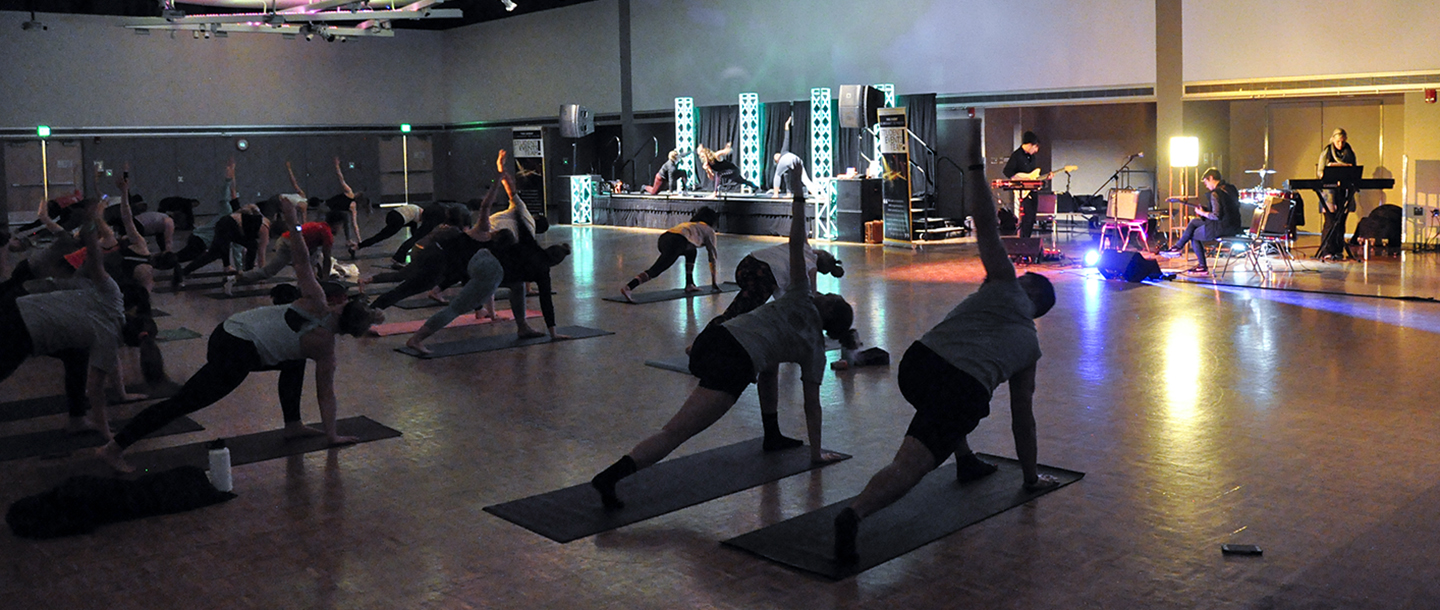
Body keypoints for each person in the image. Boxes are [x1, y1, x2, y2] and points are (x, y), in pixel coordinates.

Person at [832, 131, 1059, 565]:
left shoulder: (1002, 287)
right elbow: (1022, 419)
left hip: (917, 364)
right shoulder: (1029, 346)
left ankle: (966, 458)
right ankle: (853, 514)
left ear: (1028, 291)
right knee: (910, 465)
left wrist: (974, 163)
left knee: (947, 410)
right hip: (957, 388)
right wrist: (1030, 478)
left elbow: (987, 226)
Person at [591, 174, 856, 511]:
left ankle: (771, 433)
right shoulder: (813, 349)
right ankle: (609, 478)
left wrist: (800, 195)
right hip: (732, 362)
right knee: (675, 433)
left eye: (829, 295)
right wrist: (816, 452)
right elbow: (811, 406)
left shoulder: (800, 297)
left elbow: (795, 240)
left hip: (711, 340)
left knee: (768, 366)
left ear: (827, 306)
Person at [98, 197, 385, 473]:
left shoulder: (316, 300)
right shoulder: (326, 348)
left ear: (342, 308)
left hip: (230, 330)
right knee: (184, 402)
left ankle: (293, 424)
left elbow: (300, 259)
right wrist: (332, 434)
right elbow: (326, 394)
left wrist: (293, 221)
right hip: (237, 350)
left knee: (294, 360)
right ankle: (113, 448)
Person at [0, 199, 127, 439]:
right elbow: (97, 389)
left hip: (24, 308)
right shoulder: (108, 319)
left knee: (76, 356)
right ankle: (78, 418)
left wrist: (92, 220)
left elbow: (95, 254)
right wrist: (107, 431)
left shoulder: (103, 291)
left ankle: (77, 419)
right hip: (25, 317)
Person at [712, 242, 843, 325]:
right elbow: (810, 295)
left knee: (738, 312)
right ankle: (701, 342)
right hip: (763, 276)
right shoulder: (812, 266)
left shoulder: (802, 245)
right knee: (735, 315)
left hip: (746, 265)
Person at [618, 207, 720, 302]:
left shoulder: (690, 224)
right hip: (676, 242)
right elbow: (712, 257)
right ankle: (629, 287)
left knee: (691, 252)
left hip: (664, 239)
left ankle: (690, 284)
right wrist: (714, 282)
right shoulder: (709, 231)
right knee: (656, 270)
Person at [1159, 168, 1241, 276]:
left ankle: (1200, 265)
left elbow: (1216, 215)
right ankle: (1177, 248)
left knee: (1193, 235)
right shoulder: (1230, 189)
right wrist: (1182, 202)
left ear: (1211, 178)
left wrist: (1202, 213)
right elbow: (1224, 210)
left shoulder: (1215, 194)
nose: (1206, 185)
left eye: (1206, 182)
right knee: (1194, 222)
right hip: (1233, 226)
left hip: (1221, 227)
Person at [1002, 131, 1053, 239]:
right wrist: (1019, 179)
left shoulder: (1032, 157)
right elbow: (1007, 171)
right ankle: (1023, 239)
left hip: (1032, 190)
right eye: (1035, 147)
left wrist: (1046, 177)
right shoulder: (1016, 155)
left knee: (1032, 216)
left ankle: (1027, 239)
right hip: (1023, 191)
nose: (1036, 150)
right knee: (1027, 216)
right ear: (1029, 144)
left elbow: (1033, 175)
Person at [1317, 128, 1358, 261]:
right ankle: (1327, 250)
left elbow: (1354, 170)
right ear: (1333, 140)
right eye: (1338, 141)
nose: (1340, 144)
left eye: (1343, 141)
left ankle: (1338, 250)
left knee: (1341, 221)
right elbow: (1320, 172)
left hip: (1343, 191)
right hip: (1329, 192)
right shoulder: (1327, 152)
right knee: (1330, 221)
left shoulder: (1349, 152)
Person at [769, 116, 817, 197]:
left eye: (776, 154)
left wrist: (787, 125)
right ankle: (780, 193)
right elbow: (787, 180)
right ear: (777, 161)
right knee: (782, 175)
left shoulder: (784, 151)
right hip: (792, 161)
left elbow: (786, 139)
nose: (776, 154)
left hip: (795, 159)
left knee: (805, 179)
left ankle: (816, 194)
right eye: (775, 156)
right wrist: (788, 193)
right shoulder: (781, 164)